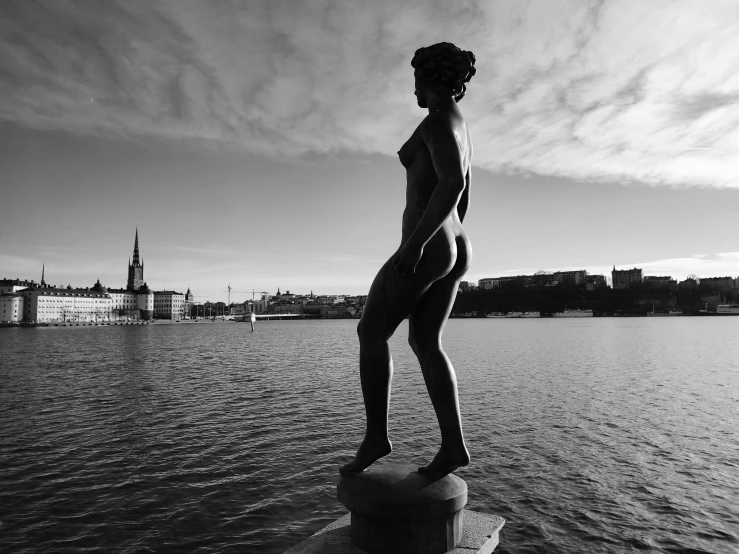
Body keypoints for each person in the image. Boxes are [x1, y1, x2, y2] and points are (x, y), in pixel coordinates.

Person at [340, 43, 476, 477]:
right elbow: (464, 193)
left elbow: (451, 183)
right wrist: (446, 242)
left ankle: (376, 437)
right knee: (425, 343)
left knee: (370, 330)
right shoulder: (459, 125)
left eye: (416, 76)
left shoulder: (437, 122)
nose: (412, 85)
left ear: (429, 78)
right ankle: (453, 446)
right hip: (455, 244)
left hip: (429, 244)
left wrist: (417, 243)